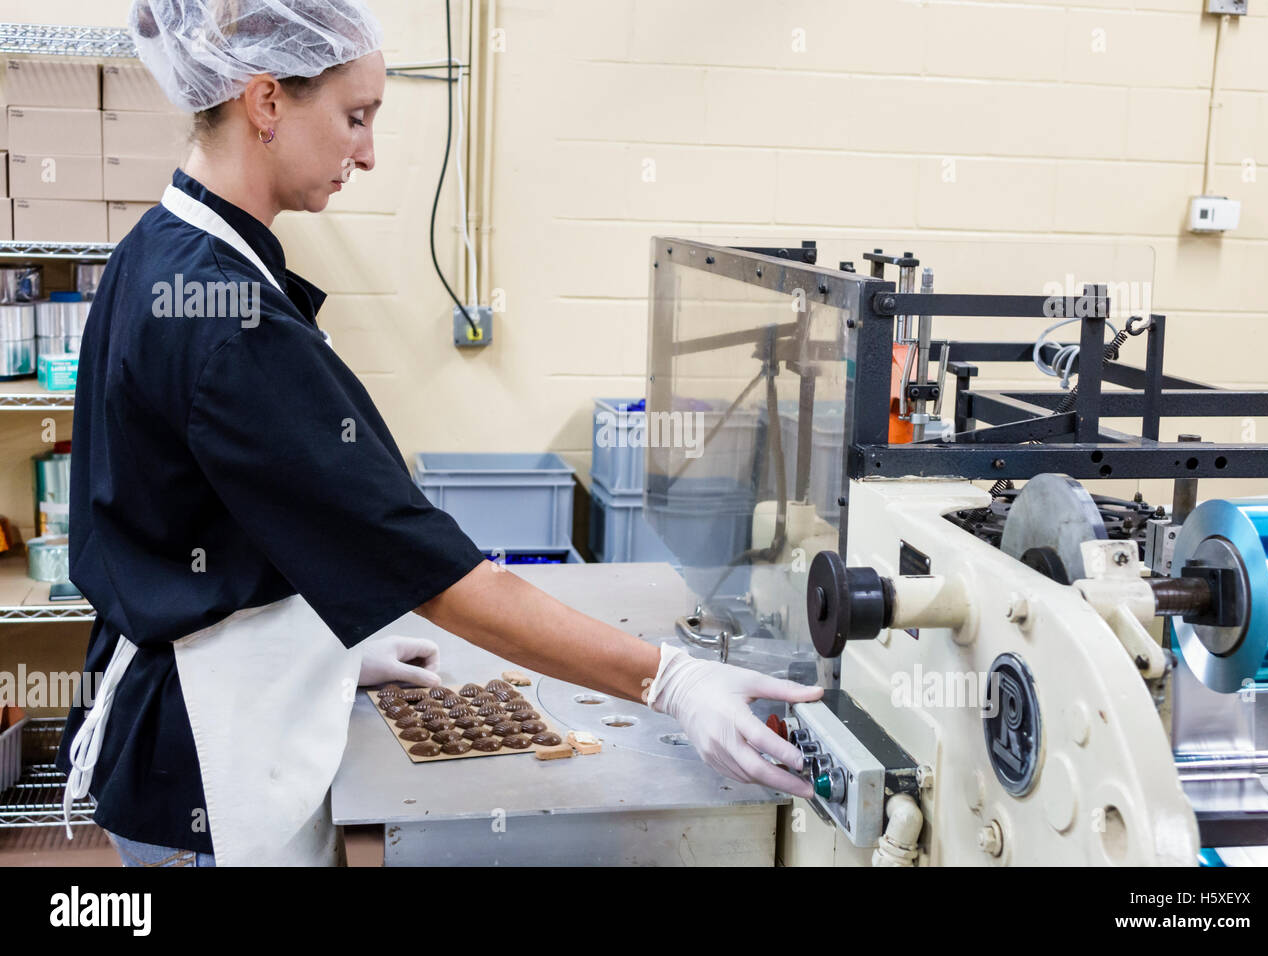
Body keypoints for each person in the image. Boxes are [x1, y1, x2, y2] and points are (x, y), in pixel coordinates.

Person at [55, 0, 821, 867]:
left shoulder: (163, 248)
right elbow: (440, 575)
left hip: (189, 705)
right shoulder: (229, 322)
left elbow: (206, 517)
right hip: (204, 760)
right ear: (266, 102)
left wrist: (321, 653)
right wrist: (672, 681)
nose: (368, 153)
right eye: (356, 117)